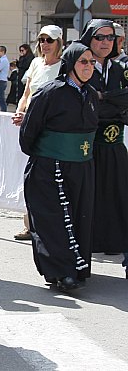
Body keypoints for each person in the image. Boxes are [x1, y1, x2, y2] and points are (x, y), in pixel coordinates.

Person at [19, 41, 99, 292]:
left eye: (92, 62)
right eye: (83, 62)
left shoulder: (91, 94)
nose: (88, 66)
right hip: (50, 167)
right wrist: (48, 155)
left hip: (82, 167)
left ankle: (76, 267)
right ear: (70, 64)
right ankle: (60, 271)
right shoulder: (51, 92)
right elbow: (28, 132)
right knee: (54, 220)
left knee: (78, 217)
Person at [79, 19, 128, 276]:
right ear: (89, 38)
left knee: (119, 196)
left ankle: (115, 244)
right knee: (88, 198)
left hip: (115, 145)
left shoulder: (120, 69)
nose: (105, 42)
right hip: (87, 145)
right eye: (100, 37)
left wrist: (105, 98)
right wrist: (112, 102)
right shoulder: (79, 66)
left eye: (110, 37)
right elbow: (84, 104)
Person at [11, 25, 63, 241]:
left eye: (49, 40)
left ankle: (49, 226)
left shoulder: (65, 66)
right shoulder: (35, 63)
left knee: (47, 178)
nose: (44, 44)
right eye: (41, 40)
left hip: (50, 129)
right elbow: (26, 93)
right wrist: (20, 110)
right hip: (29, 126)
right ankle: (29, 224)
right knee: (27, 176)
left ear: (59, 43)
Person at [0, 46, 10, 112]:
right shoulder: (2, 60)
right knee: (0, 98)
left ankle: (4, 110)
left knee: (1, 98)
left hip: (0, 81)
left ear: (3, 52)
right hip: (0, 81)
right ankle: (3, 110)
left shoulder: (3, 60)